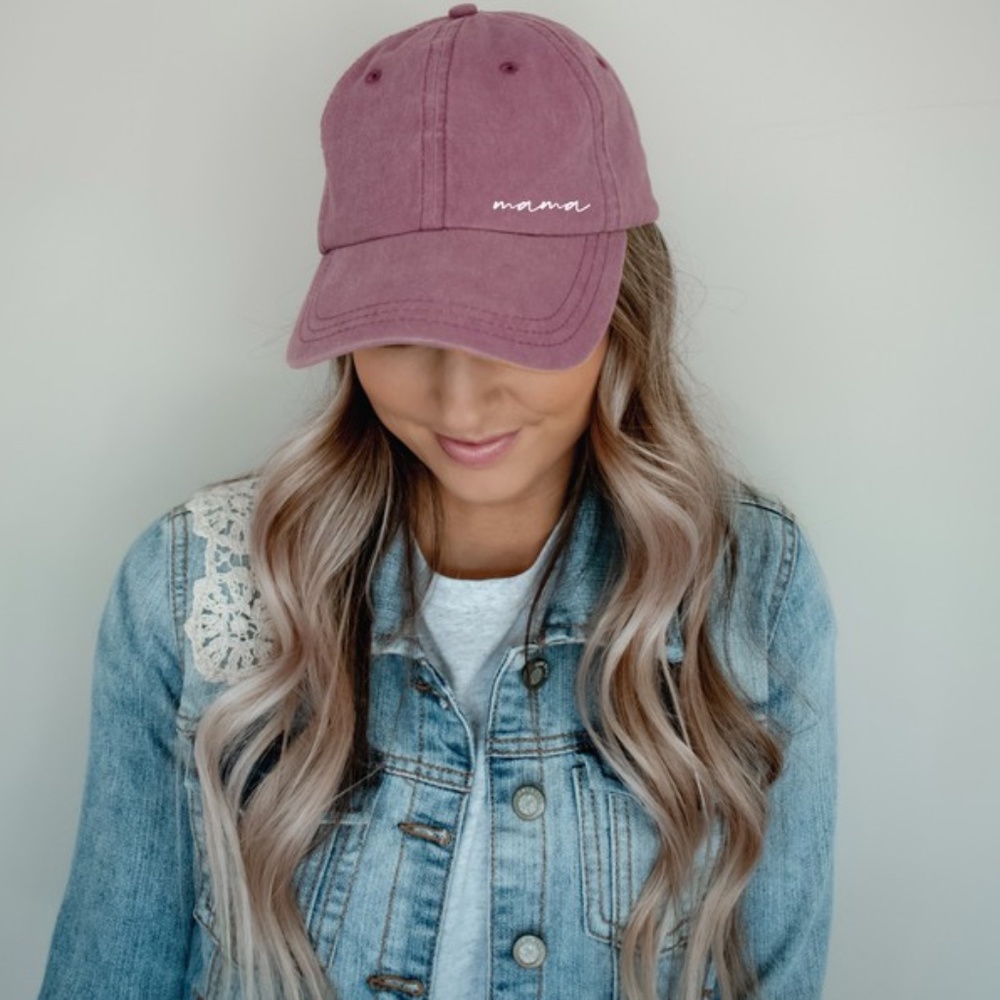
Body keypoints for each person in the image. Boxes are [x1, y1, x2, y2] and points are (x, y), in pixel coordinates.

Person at [38, 5, 837, 1000]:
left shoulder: (752, 589)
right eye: (399, 330)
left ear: (620, 304)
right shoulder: (191, 589)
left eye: (514, 323)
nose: (459, 403)